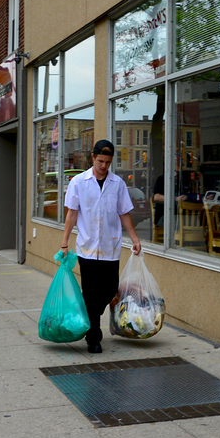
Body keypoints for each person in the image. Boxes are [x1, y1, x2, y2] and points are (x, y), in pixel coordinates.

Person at [61, 139, 142, 354]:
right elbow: (71, 214)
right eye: (100, 161)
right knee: (90, 292)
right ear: (92, 158)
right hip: (86, 248)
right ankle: (94, 338)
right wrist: (64, 243)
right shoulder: (79, 182)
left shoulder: (118, 184)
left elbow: (124, 213)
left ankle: (88, 315)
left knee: (108, 290)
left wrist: (135, 239)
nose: (104, 166)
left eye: (107, 162)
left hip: (110, 249)